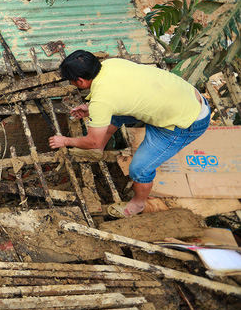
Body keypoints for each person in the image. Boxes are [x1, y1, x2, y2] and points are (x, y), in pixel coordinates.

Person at [49, 50, 211, 218]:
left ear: (80, 81)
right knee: (110, 116)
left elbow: (93, 141)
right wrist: (92, 109)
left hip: (185, 122)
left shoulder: (102, 100)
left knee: (139, 170)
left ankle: (138, 203)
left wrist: (65, 141)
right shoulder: (111, 64)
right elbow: (123, 94)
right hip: (185, 98)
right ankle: (97, 154)